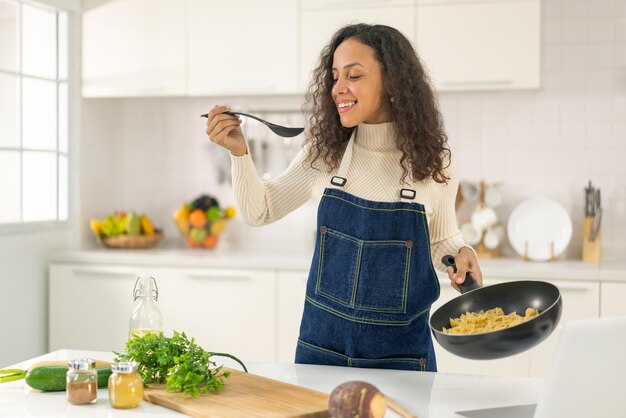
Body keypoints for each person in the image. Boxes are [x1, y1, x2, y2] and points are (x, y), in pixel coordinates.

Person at [205, 23, 483, 372]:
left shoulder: (432, 162)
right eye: (335, 76)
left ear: (393, 81)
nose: (338, 88)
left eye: (353, 75)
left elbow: (442, 238)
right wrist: (239, 153)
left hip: (402, 359)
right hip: (321, 354)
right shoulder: (323, 156)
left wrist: (462, 253)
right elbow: (258, 211)